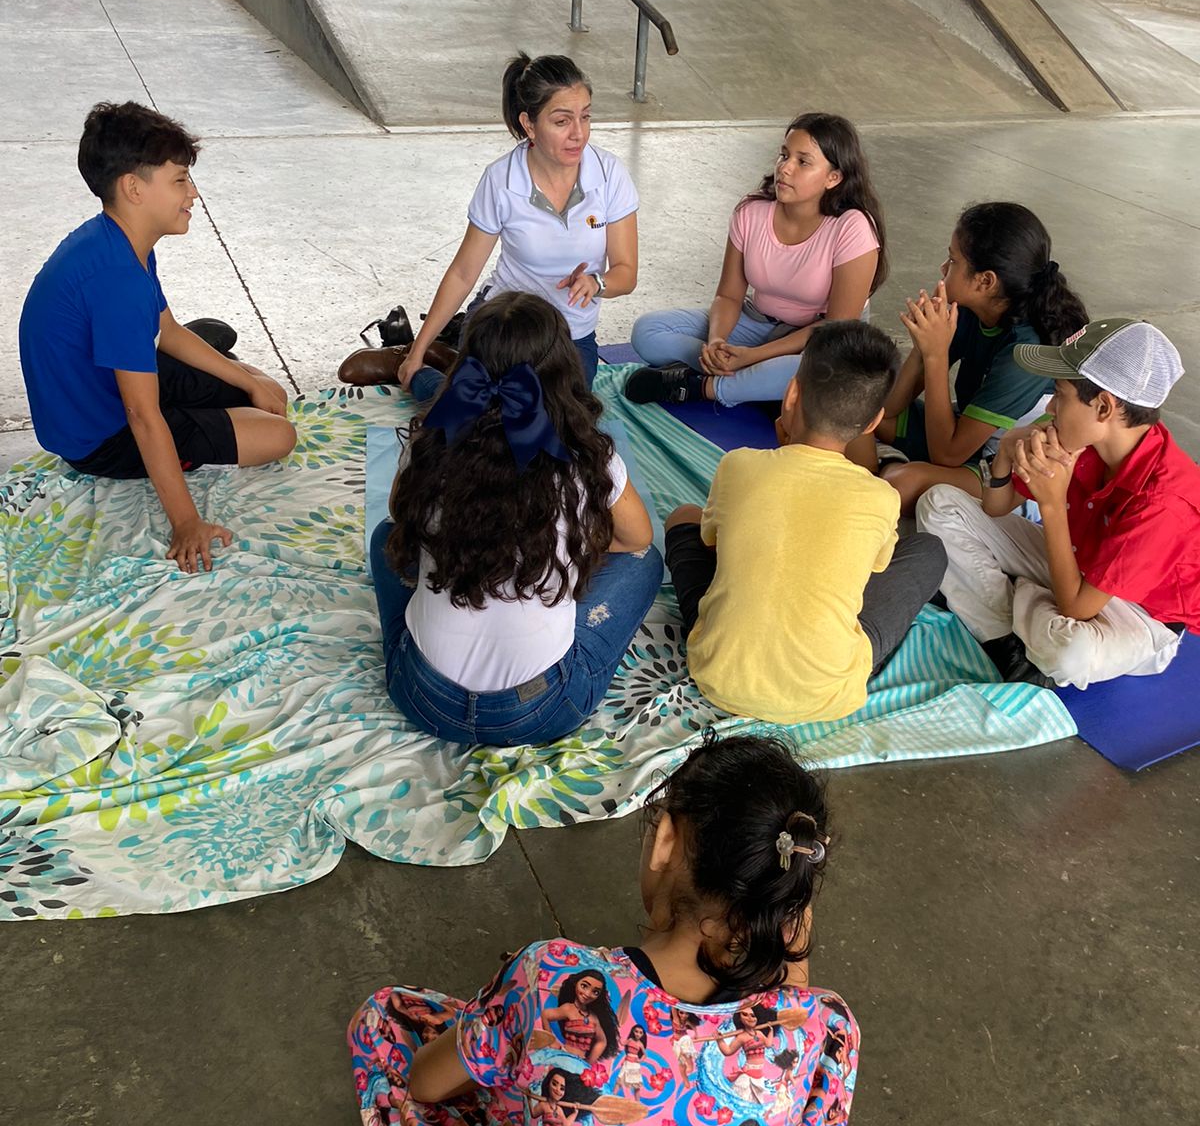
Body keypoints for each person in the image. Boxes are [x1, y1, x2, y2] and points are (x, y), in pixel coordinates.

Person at [348, 729, 859, 1126]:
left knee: (389, 1026)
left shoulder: (554, 981)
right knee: (803, 1084)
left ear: (667, 838)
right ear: (793, 903)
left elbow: (424, 1084)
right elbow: (792, 1004)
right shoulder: (823, 1030)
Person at [369, 289, 662, 747]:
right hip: (540, 710)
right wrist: (562, 545)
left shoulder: (430, 441)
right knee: (646, 560)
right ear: (564, 370)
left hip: (423, 696)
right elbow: (636, 538)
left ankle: (414, 370)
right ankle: (415, 371)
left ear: (467, 369)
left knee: (387, 536)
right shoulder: (589, 458)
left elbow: (397, 512)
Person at [18, 102, 296, 573]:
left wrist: (247, 381)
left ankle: (219, 390)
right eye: (180, 180)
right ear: (134, 188)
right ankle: (196, 426)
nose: (193, 194)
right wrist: (186, 522)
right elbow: (143, 417)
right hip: (100, 437)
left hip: (103, 380)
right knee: (279, 434)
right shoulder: (118, 279)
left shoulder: (118, 238)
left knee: (250, 385)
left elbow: (165, 329)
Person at [662, 322, 946, 725]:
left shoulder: (738, 464)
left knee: (682, 516)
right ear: (872, 422)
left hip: (718, 675)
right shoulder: (881, 496)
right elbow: (872, 571)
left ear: (791, 393)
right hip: (825, 692)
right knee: (928, 550)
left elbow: (712, 544)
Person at [918, 318, 1200, 688]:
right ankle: (1006, 638)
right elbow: (997, 507)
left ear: (1103, 408)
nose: (1050, 408)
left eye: (1060, 395)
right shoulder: (1082, 442)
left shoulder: (1163, 502)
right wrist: (1004, 453)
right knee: (939, 503)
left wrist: (1051, 506)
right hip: (1076, 565)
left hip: (1140, 614)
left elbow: (1076, 608)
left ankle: (1007, 608)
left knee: (1071, 652)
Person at [339, 52, 638, 393]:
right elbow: (463, 273)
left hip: (569, 337)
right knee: (479, 419)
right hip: (502, 329)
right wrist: (416, 351)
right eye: (562, 121)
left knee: (553, 424)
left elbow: (626, 273)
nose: (578, 134)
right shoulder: (501, 179)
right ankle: (410, 363)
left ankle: (449, 365)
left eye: (585, 117)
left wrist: (596, 283)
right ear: (529, 125)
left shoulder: (610, 174)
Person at [624, 113, 885, 408]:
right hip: (758, 323)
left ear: (833, 178)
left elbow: (837, 326)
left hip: (821, 339)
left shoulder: (853, 227)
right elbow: (728, 295)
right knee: (647, 332)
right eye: (784, 155)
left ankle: (702, 386)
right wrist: (716, 343)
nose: (784, 168)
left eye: (803, 161)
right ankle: (748, 380)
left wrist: (755, 356)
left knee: (825, 371)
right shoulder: (752, 212)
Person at [859, 201, 1089, 514]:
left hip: (1004, 470)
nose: (943, 269)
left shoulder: (1025, 353)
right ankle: (882, 466)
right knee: (861, 408)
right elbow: (889, 407)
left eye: (952, 261)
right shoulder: (969, 310)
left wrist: (936, 354)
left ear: (985, 281)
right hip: (965, 436)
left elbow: (948, 455)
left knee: (902, 482)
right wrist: (923, 345)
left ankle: (887, 468)